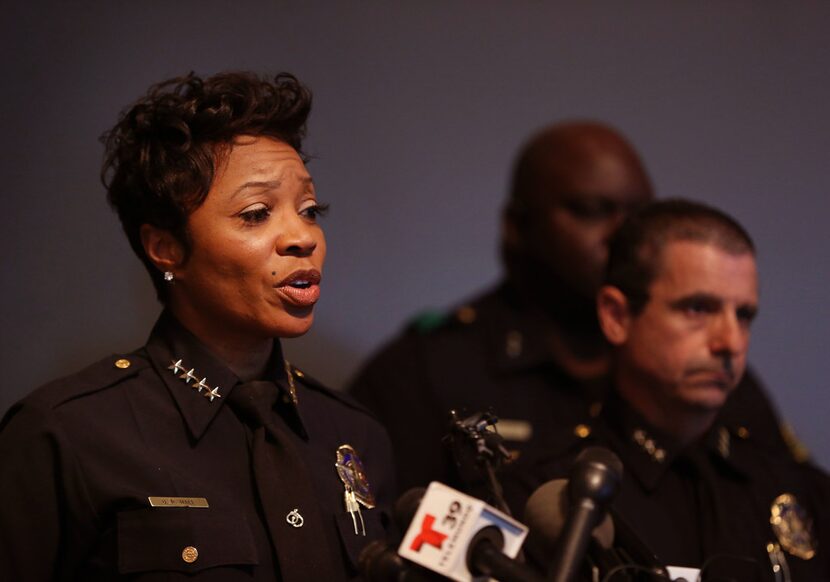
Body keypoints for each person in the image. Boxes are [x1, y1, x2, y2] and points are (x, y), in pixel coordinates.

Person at [0, 72, 395, 581]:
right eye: (256, 213)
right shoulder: (67, 434)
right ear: (166, 249)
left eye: (310, 210)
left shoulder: (355, 433)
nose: (302, 237)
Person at [348, 121, 793, 500]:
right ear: (518, 226)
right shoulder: (426, 372)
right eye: (591, 211)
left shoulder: (706, 372)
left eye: (639, 215)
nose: (624, 236)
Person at [506, 200, 829, 580]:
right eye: (697, 308)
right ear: (616, 316)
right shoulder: (547, 495)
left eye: (743, 315)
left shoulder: (800, 492)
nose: (730, 341)